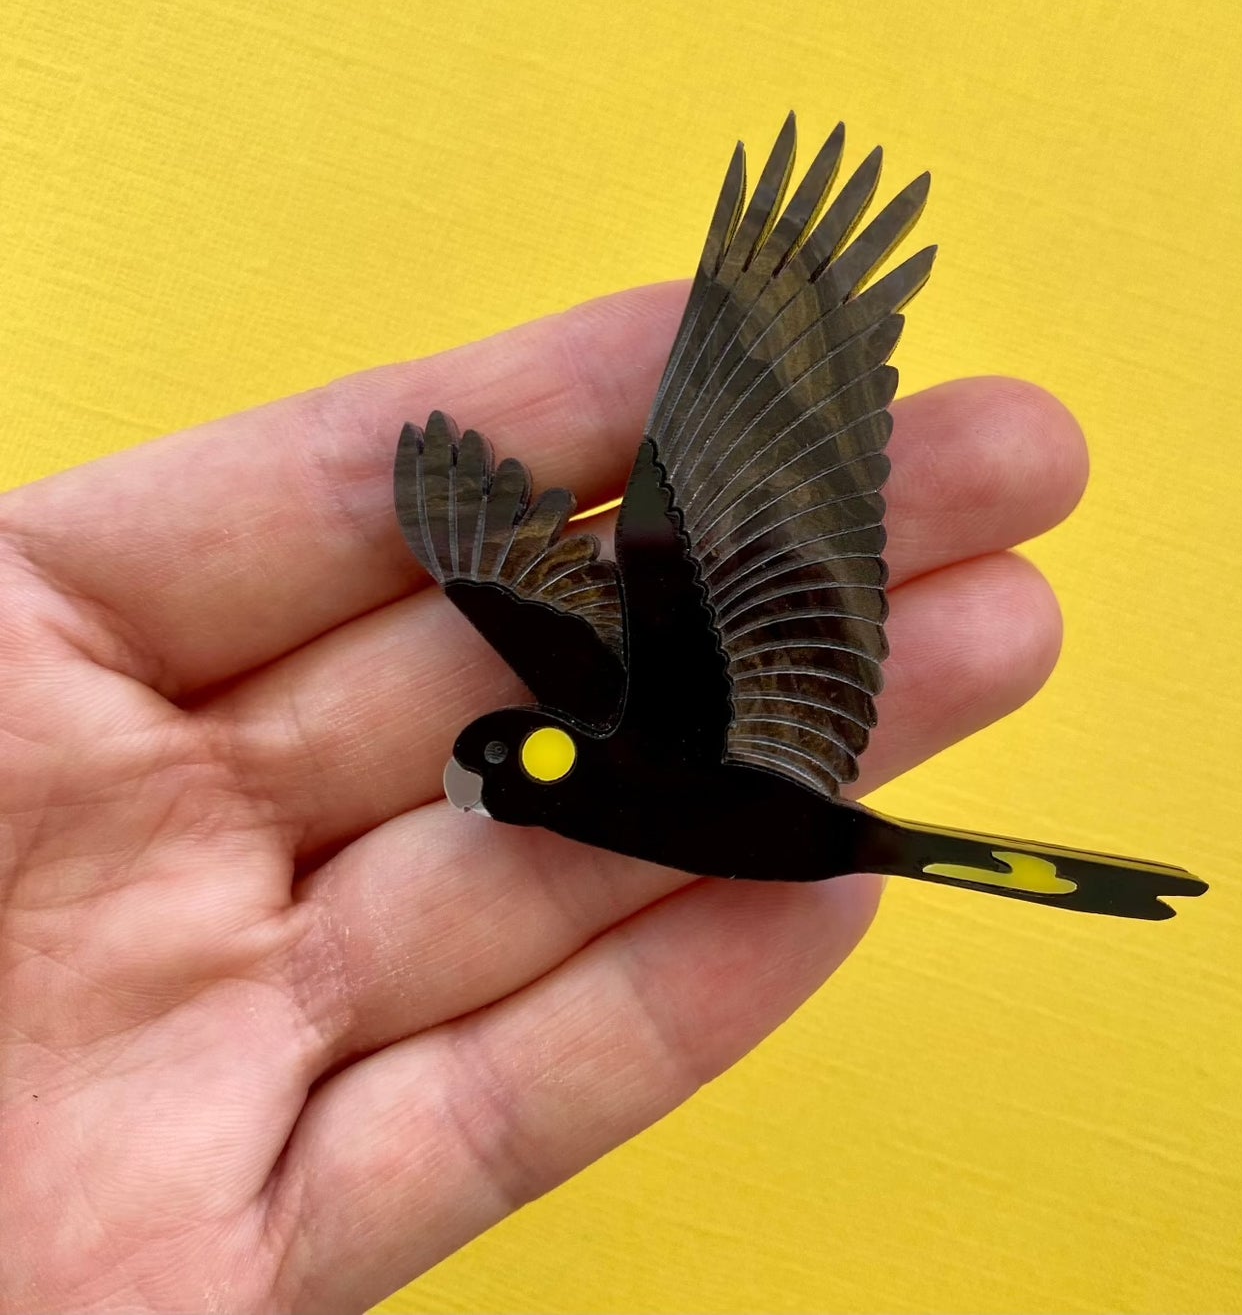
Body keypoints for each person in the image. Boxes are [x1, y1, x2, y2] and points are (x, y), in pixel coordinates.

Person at [0, 283, 1087, 1313]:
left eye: (491, 762)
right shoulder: (586, 729)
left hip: (789, 797)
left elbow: (635, 563)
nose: (479, 790)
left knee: (669, 543)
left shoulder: (638, 708)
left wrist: (479, 552)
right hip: (786, 819)